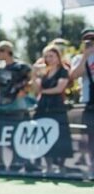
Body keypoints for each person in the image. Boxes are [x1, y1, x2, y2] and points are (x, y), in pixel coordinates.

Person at [0, 40, 34, 172]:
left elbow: (31, 80)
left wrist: (24, 91)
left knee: (17, 137)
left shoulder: (22, 67)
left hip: (18, 107)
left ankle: (16, 163)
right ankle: (1, 163)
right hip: (3, 107)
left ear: (7, 52)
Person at [32, 45, 72, 174]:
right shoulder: (45, 72)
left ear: (58, 57)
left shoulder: (63, 71)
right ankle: (48, 166)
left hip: (56, 106)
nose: (49, 59)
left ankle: (61, 165)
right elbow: (36, 89)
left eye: (52, 56)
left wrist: (43, 91)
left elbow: (59, 88)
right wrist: (33, 73)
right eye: (47, 56)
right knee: (43, 134)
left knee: (61, 135)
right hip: (43, 106)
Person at [68, 28, 94, 179]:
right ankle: (91, 166)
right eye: (87, 40)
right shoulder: (79, 58)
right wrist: (85, 55)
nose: (90, 43)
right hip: (88, 101)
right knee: (89, 136)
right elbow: (74, 75)